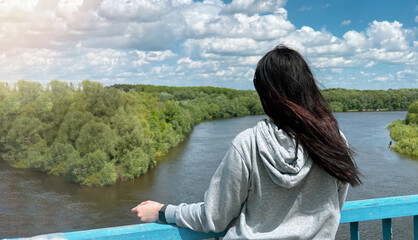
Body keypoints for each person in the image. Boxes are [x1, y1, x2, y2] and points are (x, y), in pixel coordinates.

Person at [131, 45, 361, 239]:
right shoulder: (334, 140)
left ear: (266, 95)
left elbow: (215, 218)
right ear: (309, 87)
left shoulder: (248, 144)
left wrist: (163, 212)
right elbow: (333, 207)